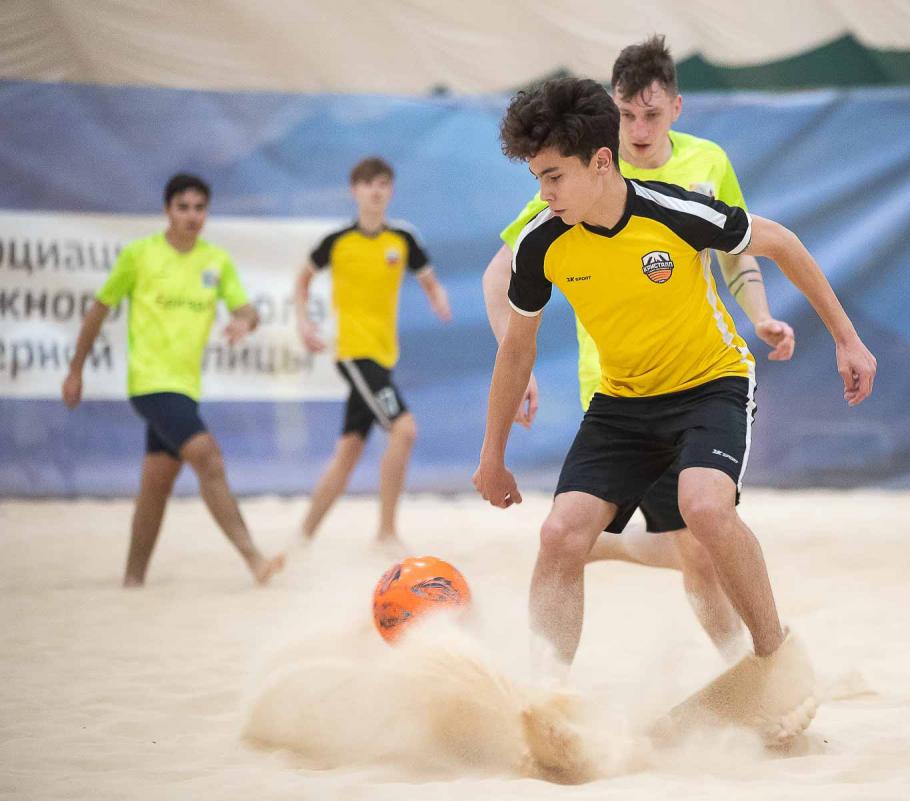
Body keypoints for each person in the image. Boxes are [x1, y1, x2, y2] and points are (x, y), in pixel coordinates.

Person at [473, 78, 877, 746]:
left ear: (600, 162)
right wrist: (492, 458)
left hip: (709, 384)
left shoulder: (674, 211)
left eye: (553, 177)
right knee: (560, 534)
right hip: (622, 402)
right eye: (537, 178)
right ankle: (547, 701)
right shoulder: (541, 243)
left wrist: (847, 339)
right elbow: (517, 350)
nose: (543, 194)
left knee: (706, 510)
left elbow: (782, 242)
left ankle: (774, 658)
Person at [481, 35, 795, 662]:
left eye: (651, 114)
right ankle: (554, 690)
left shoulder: (700, 170)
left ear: (676, 107)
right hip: (613, 387)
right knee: (647, 537)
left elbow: (743, 250)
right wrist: (501, 421)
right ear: (614, 119)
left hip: (698, 377)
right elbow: (505, 284)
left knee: (698, 532)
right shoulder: (561, 196)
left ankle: (754, 661)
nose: (640, 129)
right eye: (628, 114)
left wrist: (761, 314)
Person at [62, 173, 285, 587]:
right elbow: (98, 310)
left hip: (186, 386)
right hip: (149, 382)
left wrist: (245, 322)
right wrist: (76, 369)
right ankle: (254, 559)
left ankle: (133, 578)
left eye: (199, 208)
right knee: (208, 456)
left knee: (157, 482)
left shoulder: (216, 261)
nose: (192, 215)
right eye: (183, 207)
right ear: (167, 210)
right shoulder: (139, 255)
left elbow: (247, 310)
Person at [294, 157, 451, 550]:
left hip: (383, 355)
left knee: (348, 450)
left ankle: (303, 535)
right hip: (354, 352)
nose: (375, 191)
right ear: (354, 191)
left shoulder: (402, 238)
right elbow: (303, 279)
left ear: (390, 190)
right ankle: (386, 532)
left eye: (382, 184)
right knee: (404, 429)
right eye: (367, 184)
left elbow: (429, 279)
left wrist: (438, 298)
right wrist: (304, 322)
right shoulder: (337, 241)